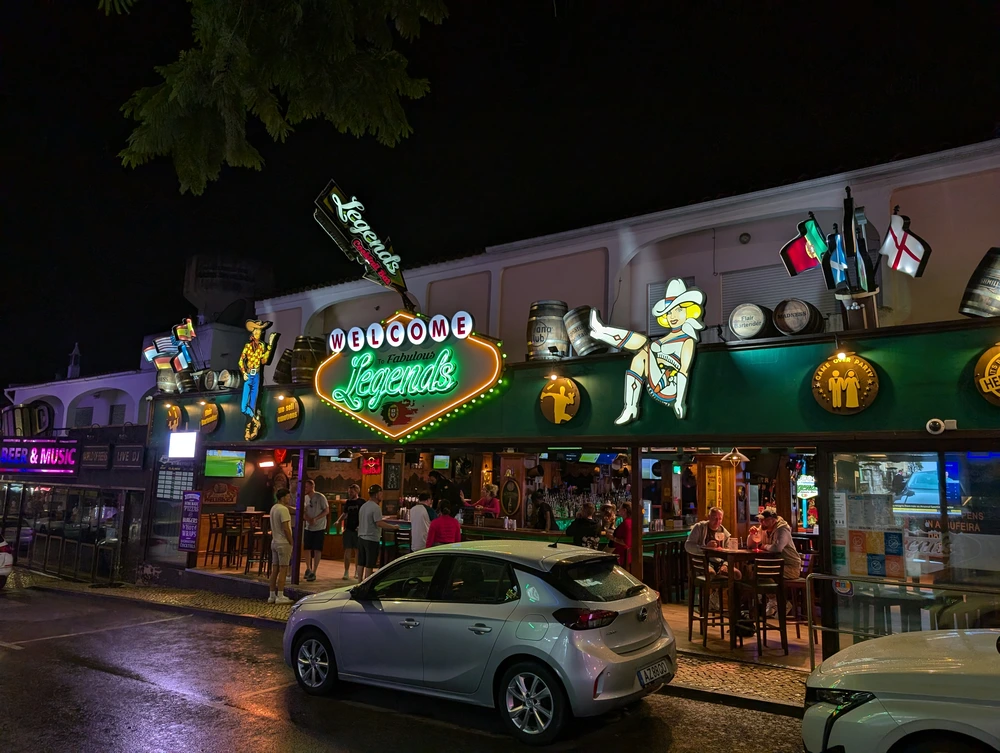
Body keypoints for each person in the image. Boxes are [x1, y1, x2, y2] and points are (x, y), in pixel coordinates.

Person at [588, 278, 706, 422]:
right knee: (641, 355)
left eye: (678, 310)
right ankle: (630, 407)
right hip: (656, 381)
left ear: (688, 311)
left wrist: (680, 401)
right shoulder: (666, 338)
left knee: (645, 345)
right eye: (669, 312)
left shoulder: (687, 340)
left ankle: (601, 332)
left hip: (669, 386)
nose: (673, 316)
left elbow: (683, 371)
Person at [748, 509, 803, 616]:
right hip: (776, 565)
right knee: (754, 570)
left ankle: (777, 602)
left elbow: (777, 548)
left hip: (791, 567)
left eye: (764, 520)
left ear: (773, 520)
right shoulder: (763, 528)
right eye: (760, 520)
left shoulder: (782, 529)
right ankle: (774, 600)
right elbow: (751, 545)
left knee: (760, 572)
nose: (761, 523)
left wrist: (762, 546)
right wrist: (751, 535)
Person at [685, 506, 741, 579]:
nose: (717, 521)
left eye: (720, 519)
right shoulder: (699, 527)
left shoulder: (724, 533)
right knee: (711, 574)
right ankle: (710, 590)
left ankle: (726, 590)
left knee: (737, 574)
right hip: (703, 562)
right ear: (709, 517)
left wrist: (725, 564)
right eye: (714, 518)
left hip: (720, 562)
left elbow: (729, 551)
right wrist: (705, 548)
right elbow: (688, 546)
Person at [357, 485, 399, 581]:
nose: (382, 495)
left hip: (361, 537)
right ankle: (366, 583)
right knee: (369, 563)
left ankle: (359, 582)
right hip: (371, 539)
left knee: (361, 562)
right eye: (381, 493)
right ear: (376, 495)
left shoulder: (364, 506)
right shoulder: (376, 508)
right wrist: (393, 527)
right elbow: (379, 523)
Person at [267, 489, 294, 604]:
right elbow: (286, 528)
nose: (289, 499)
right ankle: (281, 595)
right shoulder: (284, 510)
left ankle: (271, 595)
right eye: (288, 497)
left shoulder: (273, 508)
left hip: (274, 541)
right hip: (283, 542)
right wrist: (291, 541)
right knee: (283, 569)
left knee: (275, 569)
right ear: (282, 497)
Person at [302, 478, 329, 583]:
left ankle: (314, 570)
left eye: (307, 486)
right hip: (308, 526)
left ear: (312, 487)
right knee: (307, 548)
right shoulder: (305, 498)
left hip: (319, 527)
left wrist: (316, 519)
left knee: (317, 549)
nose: (305, 488)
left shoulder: (320, 497)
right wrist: (308, 519)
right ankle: (308, 568)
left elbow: (326, 510)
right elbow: (303, 511)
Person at [335, 484, 363, 580]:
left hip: (358, 530)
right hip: (348, 528)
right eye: (349, 492)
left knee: (357, 551)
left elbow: (364, 515)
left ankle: (356, 571)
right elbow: (345, 513)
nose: (350, 494)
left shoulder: (361, 502)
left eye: (351, 492)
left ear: (356, 491)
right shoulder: (348, 502)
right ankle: (346, 571)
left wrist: (361, 525)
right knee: (347, 550)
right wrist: (338, 520)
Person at [611, 502, 633, 568]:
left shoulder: (626, 523)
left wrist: (612, 538)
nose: (618, 510)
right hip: (628, 555)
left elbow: (625, 542)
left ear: (624, 510)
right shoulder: (631, 521)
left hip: (622, 556)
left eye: (620, 508)